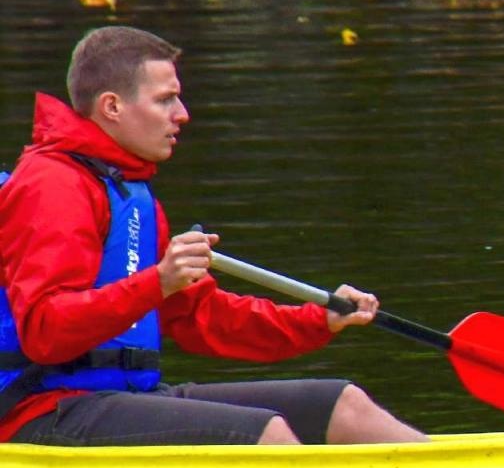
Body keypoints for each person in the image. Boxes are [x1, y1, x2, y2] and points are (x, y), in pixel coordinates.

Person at [0, 25, 428, 446]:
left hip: (118, 399)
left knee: (344, 406)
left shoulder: (126, 189)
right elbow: (45, 332)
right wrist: (159, 281)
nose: (182, 114)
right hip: (41, 413)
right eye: (165, 99)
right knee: (268, 435)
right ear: (112, 106)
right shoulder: (52, 186)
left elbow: (202, 317)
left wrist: (319, 319)